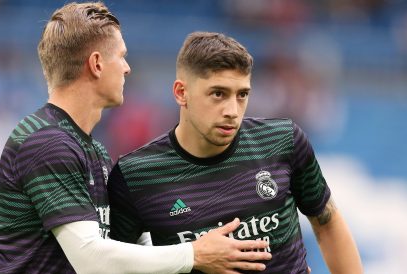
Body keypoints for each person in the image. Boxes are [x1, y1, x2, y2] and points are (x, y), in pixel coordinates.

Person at [0, 2, 273, 274]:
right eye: (123, 57)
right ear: (97, 64)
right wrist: (194, 254)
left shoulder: (91, 148)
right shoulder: (48, 142)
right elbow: (91, 259)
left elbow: (123, 255)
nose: (127, 68)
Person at [107, 31, 363, 273]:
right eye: (218, 94)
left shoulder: (282, 140)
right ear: (181, 93)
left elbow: (327, 222)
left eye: (242, 95)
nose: (232, 110)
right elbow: (114, 264)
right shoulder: (135, 175)